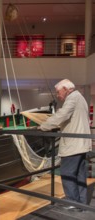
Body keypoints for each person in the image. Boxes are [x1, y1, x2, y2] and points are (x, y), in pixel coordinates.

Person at [39, 79, 92, 211]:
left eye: (58, 92)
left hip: (73, 145)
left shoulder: (72, 99)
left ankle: (73, 202)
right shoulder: (80, 97)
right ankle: (82, 203)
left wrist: (43, 126)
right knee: (79, 174)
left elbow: (61, 116)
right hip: (81, 144)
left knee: (67, 173)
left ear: (66, 89)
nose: (57, 95)